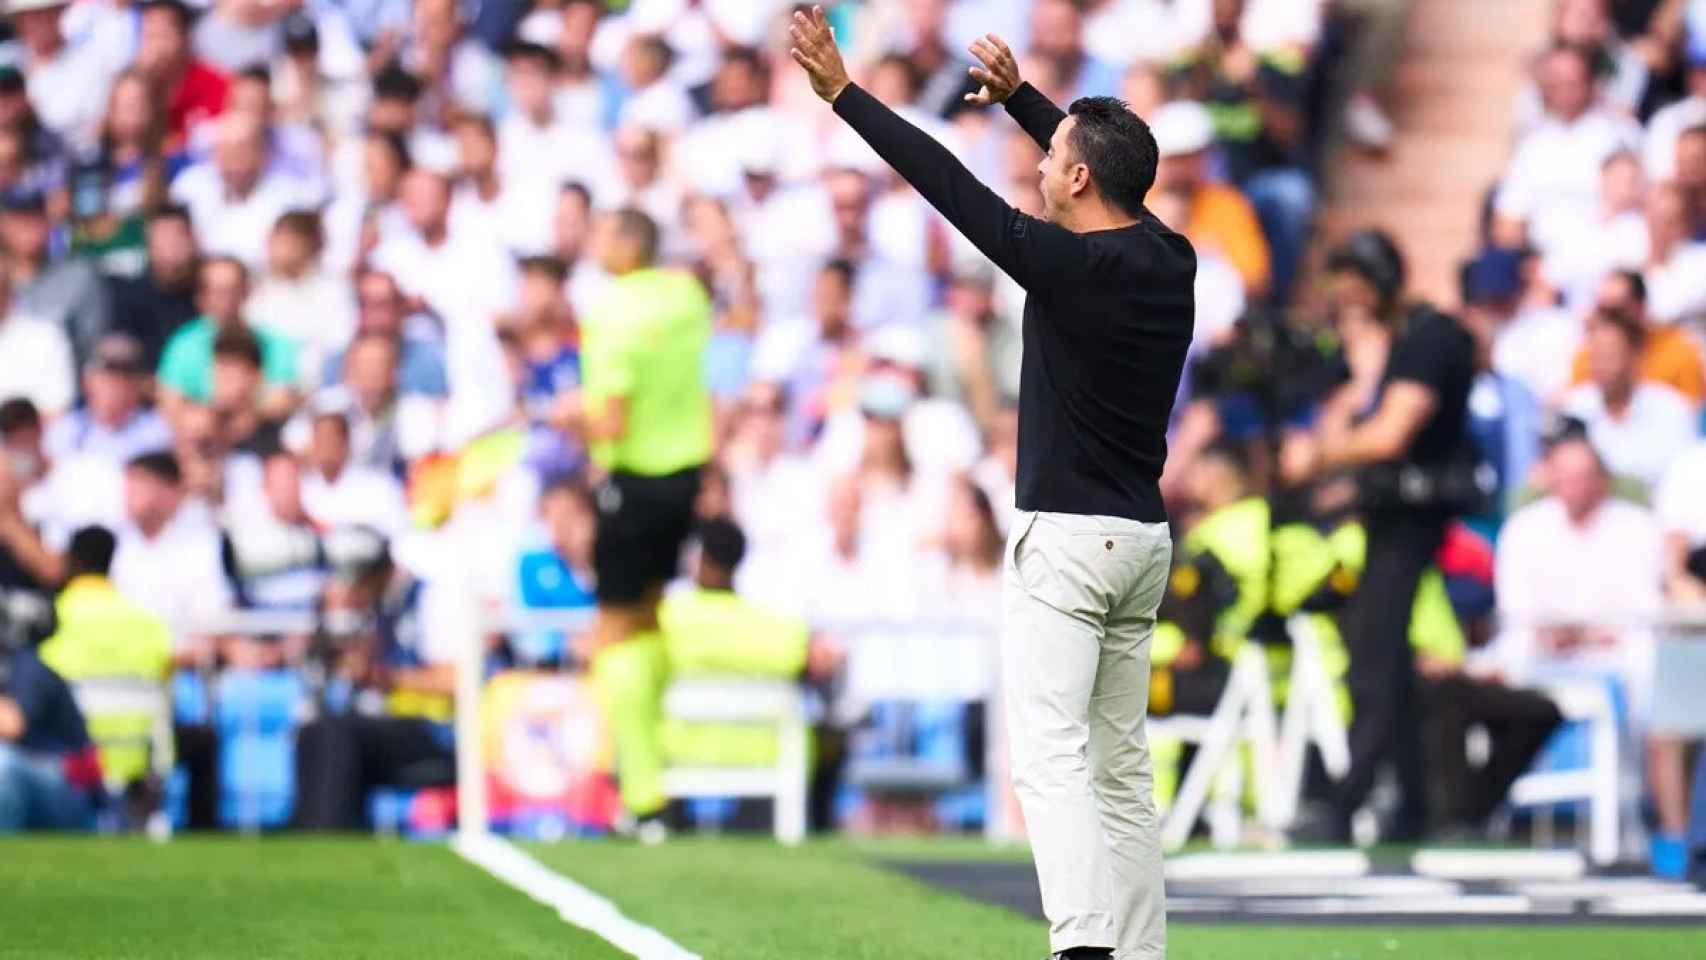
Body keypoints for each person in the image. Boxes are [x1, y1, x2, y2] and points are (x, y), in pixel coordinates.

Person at [791, 10, 1193, 958]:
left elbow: (948, 186)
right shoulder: (1168, 258)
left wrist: (846, 96)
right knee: (1119, 771)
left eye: (1053, 154)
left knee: (1049, 759)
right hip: (1141, 541)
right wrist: (1022, 102)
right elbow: (1102, 173)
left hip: (1068, 545)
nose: (1043, 165)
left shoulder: (1066, 265)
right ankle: (1138, 949)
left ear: (1080, 178)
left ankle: (1084, 945)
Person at [1290, 229, 1476, 844]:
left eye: (1357, 296)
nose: (1350, 311)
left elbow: (1388, 436)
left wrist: (1318, 458)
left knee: (1375, 656)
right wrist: (1360, 370)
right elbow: (1350, 421)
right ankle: (1416, 804)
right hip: (1384, 515)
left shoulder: (1432, 338)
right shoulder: (1383, 347)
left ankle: (1350, 800)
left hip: (1417, 517)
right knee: (1383, 655)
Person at [561, 207, 712, 836]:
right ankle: (655, 775)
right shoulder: (685, 295)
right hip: (684, 479)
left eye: (601, 233)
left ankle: (640, 794)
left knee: (614, 632)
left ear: (628, 243)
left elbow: (611, 421)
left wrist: (566, 417)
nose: (593, 245)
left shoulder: (612, 311)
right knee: (651, 618)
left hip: (632, 480)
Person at [36, 526, 174, 805]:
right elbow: (167, 669)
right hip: (136, 758)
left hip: (75, 762)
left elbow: (40, 684)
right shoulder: (146, 620)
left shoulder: (52, 618)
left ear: (71, 561)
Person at [0, 573, 100, 833]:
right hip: (46, 780)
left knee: (2, 762)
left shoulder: (26, 664)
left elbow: (11, 725)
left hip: (71, 786)